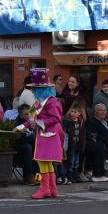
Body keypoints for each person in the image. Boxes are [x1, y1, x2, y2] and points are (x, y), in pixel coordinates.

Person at [18, 68, 65, 199]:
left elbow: (56, 118)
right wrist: (21, 126)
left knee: (43, 161)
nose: (33, 91)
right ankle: (51, 190)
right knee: (45, 162)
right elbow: (32, 118)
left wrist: (38, 123)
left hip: (50, 135)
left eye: (35, 88)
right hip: (43, 135)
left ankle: (45, 189)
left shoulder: (52, 101)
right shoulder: (39, 102)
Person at [62, 103, 86, 183]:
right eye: (72, 111)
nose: (73, 113)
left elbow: (82, 135)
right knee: (71, 161)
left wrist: (82, 145)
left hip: (78, 145)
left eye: (75, 112)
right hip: (71, 145)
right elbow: (65, 134)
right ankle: (70, 176)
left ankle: (75, 175)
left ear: (79, 113)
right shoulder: (67, 121)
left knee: (77, 161)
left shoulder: (81, 122)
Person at [13, 104, 36, 185]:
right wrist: (33, 138)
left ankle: (39, 174)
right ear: (20, 114)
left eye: (30, 113)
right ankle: (28, 176)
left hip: (30, 145)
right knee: (28, 147)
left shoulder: (32, 121)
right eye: (26, 114)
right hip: (18, 149)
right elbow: (19, 139)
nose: (29, 116)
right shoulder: (17, 123)